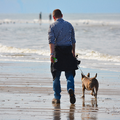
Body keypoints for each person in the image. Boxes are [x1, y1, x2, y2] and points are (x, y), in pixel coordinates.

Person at [48, 9, 79, 104]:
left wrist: (52, 54)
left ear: (53, 17)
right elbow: (73, 40)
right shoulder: (69, 25)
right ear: (62, 15)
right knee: (69, 73)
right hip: (68, 51)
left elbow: (51, 41)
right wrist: (73, 52)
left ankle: (57, 97)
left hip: (57, 52)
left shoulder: (52, 26)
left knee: (56, 75)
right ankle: (70, 89)